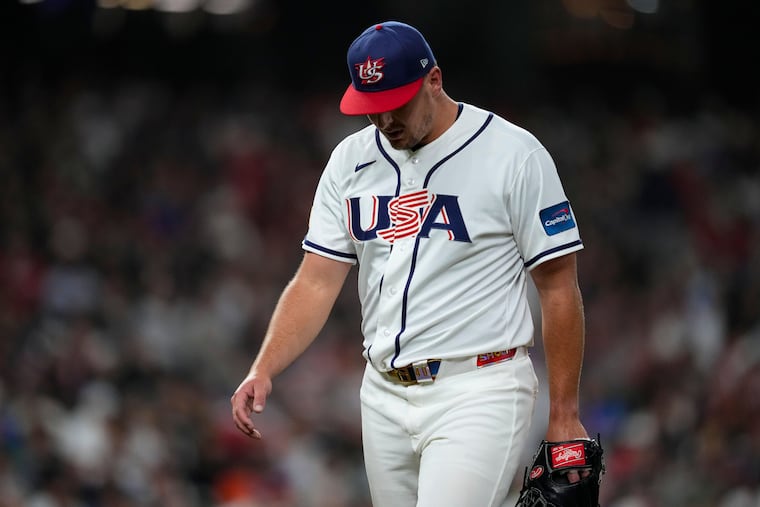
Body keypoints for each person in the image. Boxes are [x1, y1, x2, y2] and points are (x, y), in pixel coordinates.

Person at [231, 20, 590, 506]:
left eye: (395, 103)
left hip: (479, 387)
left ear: (434, 81)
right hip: (382, 394)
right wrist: (264, 366)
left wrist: (564, 411)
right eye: (371, 108)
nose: (384, 120)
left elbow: (558, 286)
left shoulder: (514, 155)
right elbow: (316, 281)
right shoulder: (349, 161)